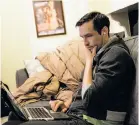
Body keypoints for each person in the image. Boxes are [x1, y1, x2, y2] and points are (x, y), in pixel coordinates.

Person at [3, 11, 135, 125]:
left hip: (95, 121)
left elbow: (89, 97)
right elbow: (83, 88)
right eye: (82, 37)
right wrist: (66, 103)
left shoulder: (115, 55)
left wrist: (89, 62)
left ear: (104, 31)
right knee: (15, 116)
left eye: (89, 36)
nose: (85, 43)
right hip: (80, 115)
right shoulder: (101, 53)